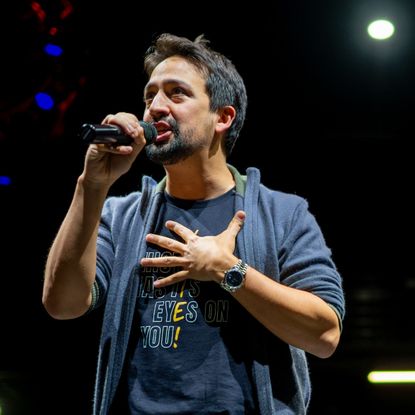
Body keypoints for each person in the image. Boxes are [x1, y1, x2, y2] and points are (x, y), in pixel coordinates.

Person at [42, 33, 345, 415]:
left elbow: (324, 334)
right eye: (149, 96)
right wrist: (92, 185)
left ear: (223, 116)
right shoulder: (119, 216)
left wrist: (226, 269)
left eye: (176, 93)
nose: (154, 108)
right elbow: (63, 304)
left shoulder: (282, 213)